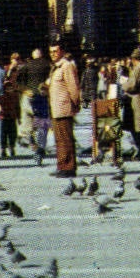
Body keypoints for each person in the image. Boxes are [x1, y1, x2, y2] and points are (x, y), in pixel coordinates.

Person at [47, 36, 83, 178]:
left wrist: (75, 104)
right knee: (59, 139)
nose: (53, 54)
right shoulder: (55, 67)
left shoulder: (67, 66)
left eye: (55, 51)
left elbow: (73, 87)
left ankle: (68, 167)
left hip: (64, 108)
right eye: (51, 52)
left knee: (65, 139)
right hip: (56, 109)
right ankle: (62, 165)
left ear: (62, 51)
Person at [23, 47, 53, 164]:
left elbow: (18, 81)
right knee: (42, 124)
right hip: (42, 97)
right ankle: (40, 147)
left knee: (30, 123)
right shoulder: (47, 65)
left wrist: (25, 90)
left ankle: (34, 142)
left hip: (29, 97)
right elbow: (51, 80)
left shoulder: (26, 65)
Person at [0, 51, 22, 157]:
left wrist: (19, 117)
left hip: (12, 112)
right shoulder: (7, 69)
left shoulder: (20, 70)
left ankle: (11, 147)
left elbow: (17, 106)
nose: (15, 61)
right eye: (14, 59)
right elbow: (3, 79)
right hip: (4, 114)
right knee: (3, 133)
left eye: (17, 59)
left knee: (12, 133)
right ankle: (3, 148)